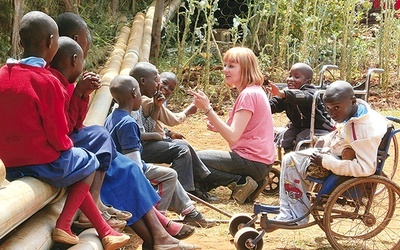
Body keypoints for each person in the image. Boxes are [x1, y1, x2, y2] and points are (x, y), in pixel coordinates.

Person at [52, 12, 196, 244]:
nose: (87, 53)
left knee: (126, 168)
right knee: (124, 171)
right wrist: (79, 94)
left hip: (72, 144)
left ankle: (160, 235)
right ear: (75, 43)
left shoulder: (65, 77)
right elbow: (64, 129)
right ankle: (159, 236)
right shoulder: (55, 79)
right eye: (87, 47)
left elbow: (73, 123)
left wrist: (80, 95)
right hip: (64, 150)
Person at [0, 11, 129, 249]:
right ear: (51, 42)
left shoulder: (2, 75)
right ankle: (64, 224)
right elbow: (60, 139)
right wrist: (71, 149)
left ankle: (104, 230)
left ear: (20, 42)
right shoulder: (48, 82)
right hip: (41, 162)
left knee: (78, 162)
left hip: (8, 163)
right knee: (87, 162)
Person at [106, 73, 215, 229]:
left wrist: (159, 116)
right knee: (170, 174)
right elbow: (134, 166)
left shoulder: (113, 116)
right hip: (125, 170)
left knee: (169, 173)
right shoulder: (128, 121)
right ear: (135, 93)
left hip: (121, 165)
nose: (158, 85)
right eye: (157, 81)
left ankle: (190, 212)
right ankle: (157, 219)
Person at [274, 80, 389, 225]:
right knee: (290, 158)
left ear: (352, 101)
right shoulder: (356, 112)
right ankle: (290, 211)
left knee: (290, 161)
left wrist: (326, 162)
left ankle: (294, 216)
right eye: (328, 108)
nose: (332, 113)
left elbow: (365, 168)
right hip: (334, 153)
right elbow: (342, 133)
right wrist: (323, 140)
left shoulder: (363, 131)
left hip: (336, 161)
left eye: (336, 108)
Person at [189, 47, 275, 204]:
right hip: (261, 163)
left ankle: (242, 182)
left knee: (191, 157)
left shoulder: (248, 95)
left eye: (231, 66)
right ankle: (253, 182)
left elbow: (233, 135)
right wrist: (218, 125)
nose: (225, 70)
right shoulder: (255, 91)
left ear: (246, 69)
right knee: (198, 158)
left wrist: (208, 109)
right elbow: (242, 129)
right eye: (225, 65)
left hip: (251, 161)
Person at [129, 65, 214, 202]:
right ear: (144, 81)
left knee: (184, 146)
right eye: (158, 81)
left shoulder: (147, 99)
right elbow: (138, 133)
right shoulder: (143, 100)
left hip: (146, 143)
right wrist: (188, 111)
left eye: (171, 88)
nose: (162, 87)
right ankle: (187, 190)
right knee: (182, 148)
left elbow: (149, 126)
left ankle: (194, 186)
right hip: (137, 149)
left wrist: (166, 131)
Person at [265, 62, 335, 153]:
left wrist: (282, 94)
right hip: (298, 126)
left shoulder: (311, 93)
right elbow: (275, 104)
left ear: (308, 82)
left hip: (319, 128)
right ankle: (289, 158)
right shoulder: (287, 94)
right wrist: (262, 105)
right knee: (286, 136)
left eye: (296, 77)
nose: (290, 79)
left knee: (302, 138)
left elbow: (304, 97)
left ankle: (302, 160)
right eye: (290, 76)